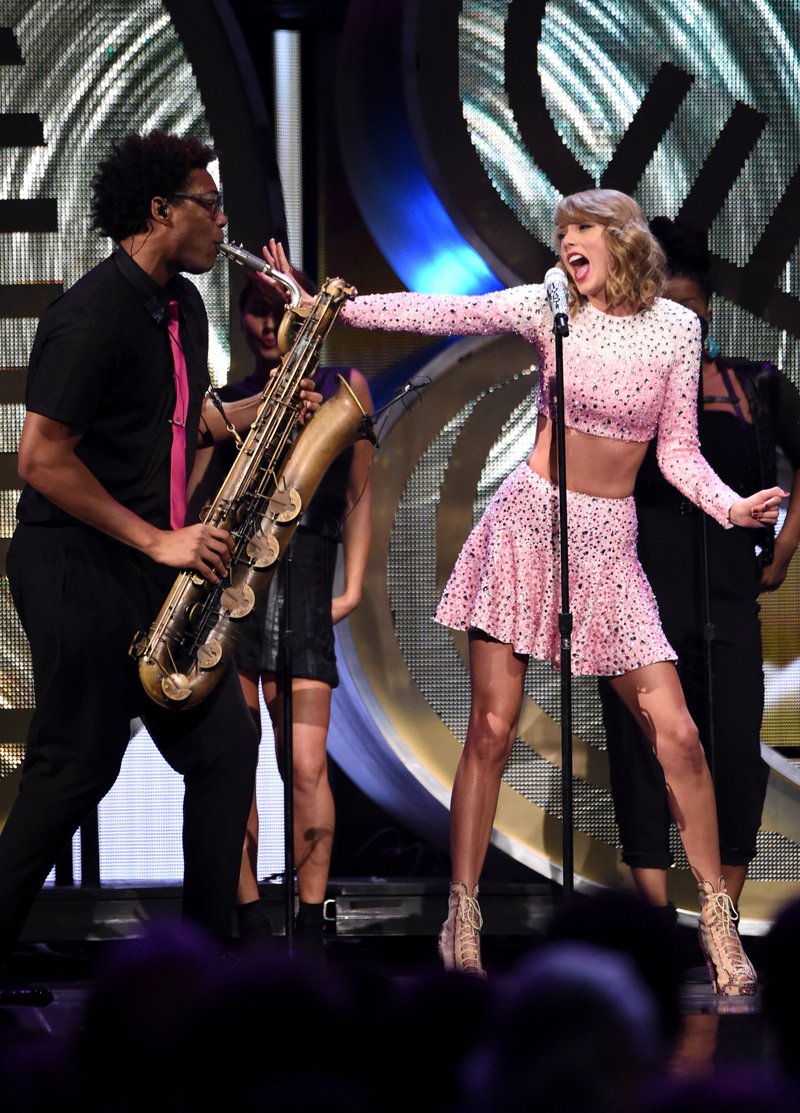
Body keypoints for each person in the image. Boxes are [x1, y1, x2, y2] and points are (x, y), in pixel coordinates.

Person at [258, 186, 786, 995]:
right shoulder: (550, 306)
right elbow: (440, 313)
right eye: (562, 230)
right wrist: (331, 306)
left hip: (611, 545)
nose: (566, 242)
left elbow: (677, 453)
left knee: (677, 735)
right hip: (528, 526)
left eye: (581, 231)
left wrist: (732, 504)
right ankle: (461, 915)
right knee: (493, 729)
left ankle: (716, 916)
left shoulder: (677, 330)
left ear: (621, 240)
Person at [0, 130, 320, 972]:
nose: (222, 222)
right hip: (75, 562)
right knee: (76, 764)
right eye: (208, 205)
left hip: (146, 563)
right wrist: (159, 537)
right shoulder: (92, 314)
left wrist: (276, 406)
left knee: (222, 742)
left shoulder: (180, 306)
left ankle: (205, 965)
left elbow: (179, 426)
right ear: (158, 210)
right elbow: (41, 457)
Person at [598, 217, 800, 929]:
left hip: (726, 591)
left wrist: (781, 550)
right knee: (640, 752)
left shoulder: (757, 385)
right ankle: (655, 926)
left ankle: (722, 919)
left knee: (734, 756)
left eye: (689, 312)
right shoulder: (621, 392)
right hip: (633, 588)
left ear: (709, 312)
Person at [199, 274, 373, 949]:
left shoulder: (341, 388)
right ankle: (247, 914)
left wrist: (353, 588)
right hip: (239, 593)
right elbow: (194, 492)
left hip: (307, 589)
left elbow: (359, 498)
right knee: (234, 761)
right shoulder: (233, 400)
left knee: (304, 764)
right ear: (240, 317)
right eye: (256, 310)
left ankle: (311, 917)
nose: (269, 325)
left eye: (280, 311)